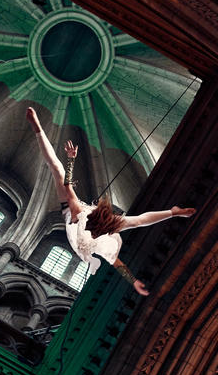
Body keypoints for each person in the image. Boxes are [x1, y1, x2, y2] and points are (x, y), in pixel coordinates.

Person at [26, 107, 195, 295]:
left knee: (58, 171)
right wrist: (134, 282)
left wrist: (71, 160)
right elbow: (131, 238)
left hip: (76, 228)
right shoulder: (103, 227)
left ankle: (38, 129)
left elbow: (67, 186)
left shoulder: (79, 216)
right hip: (83, 231)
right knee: (58, 171)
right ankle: (38, 128)